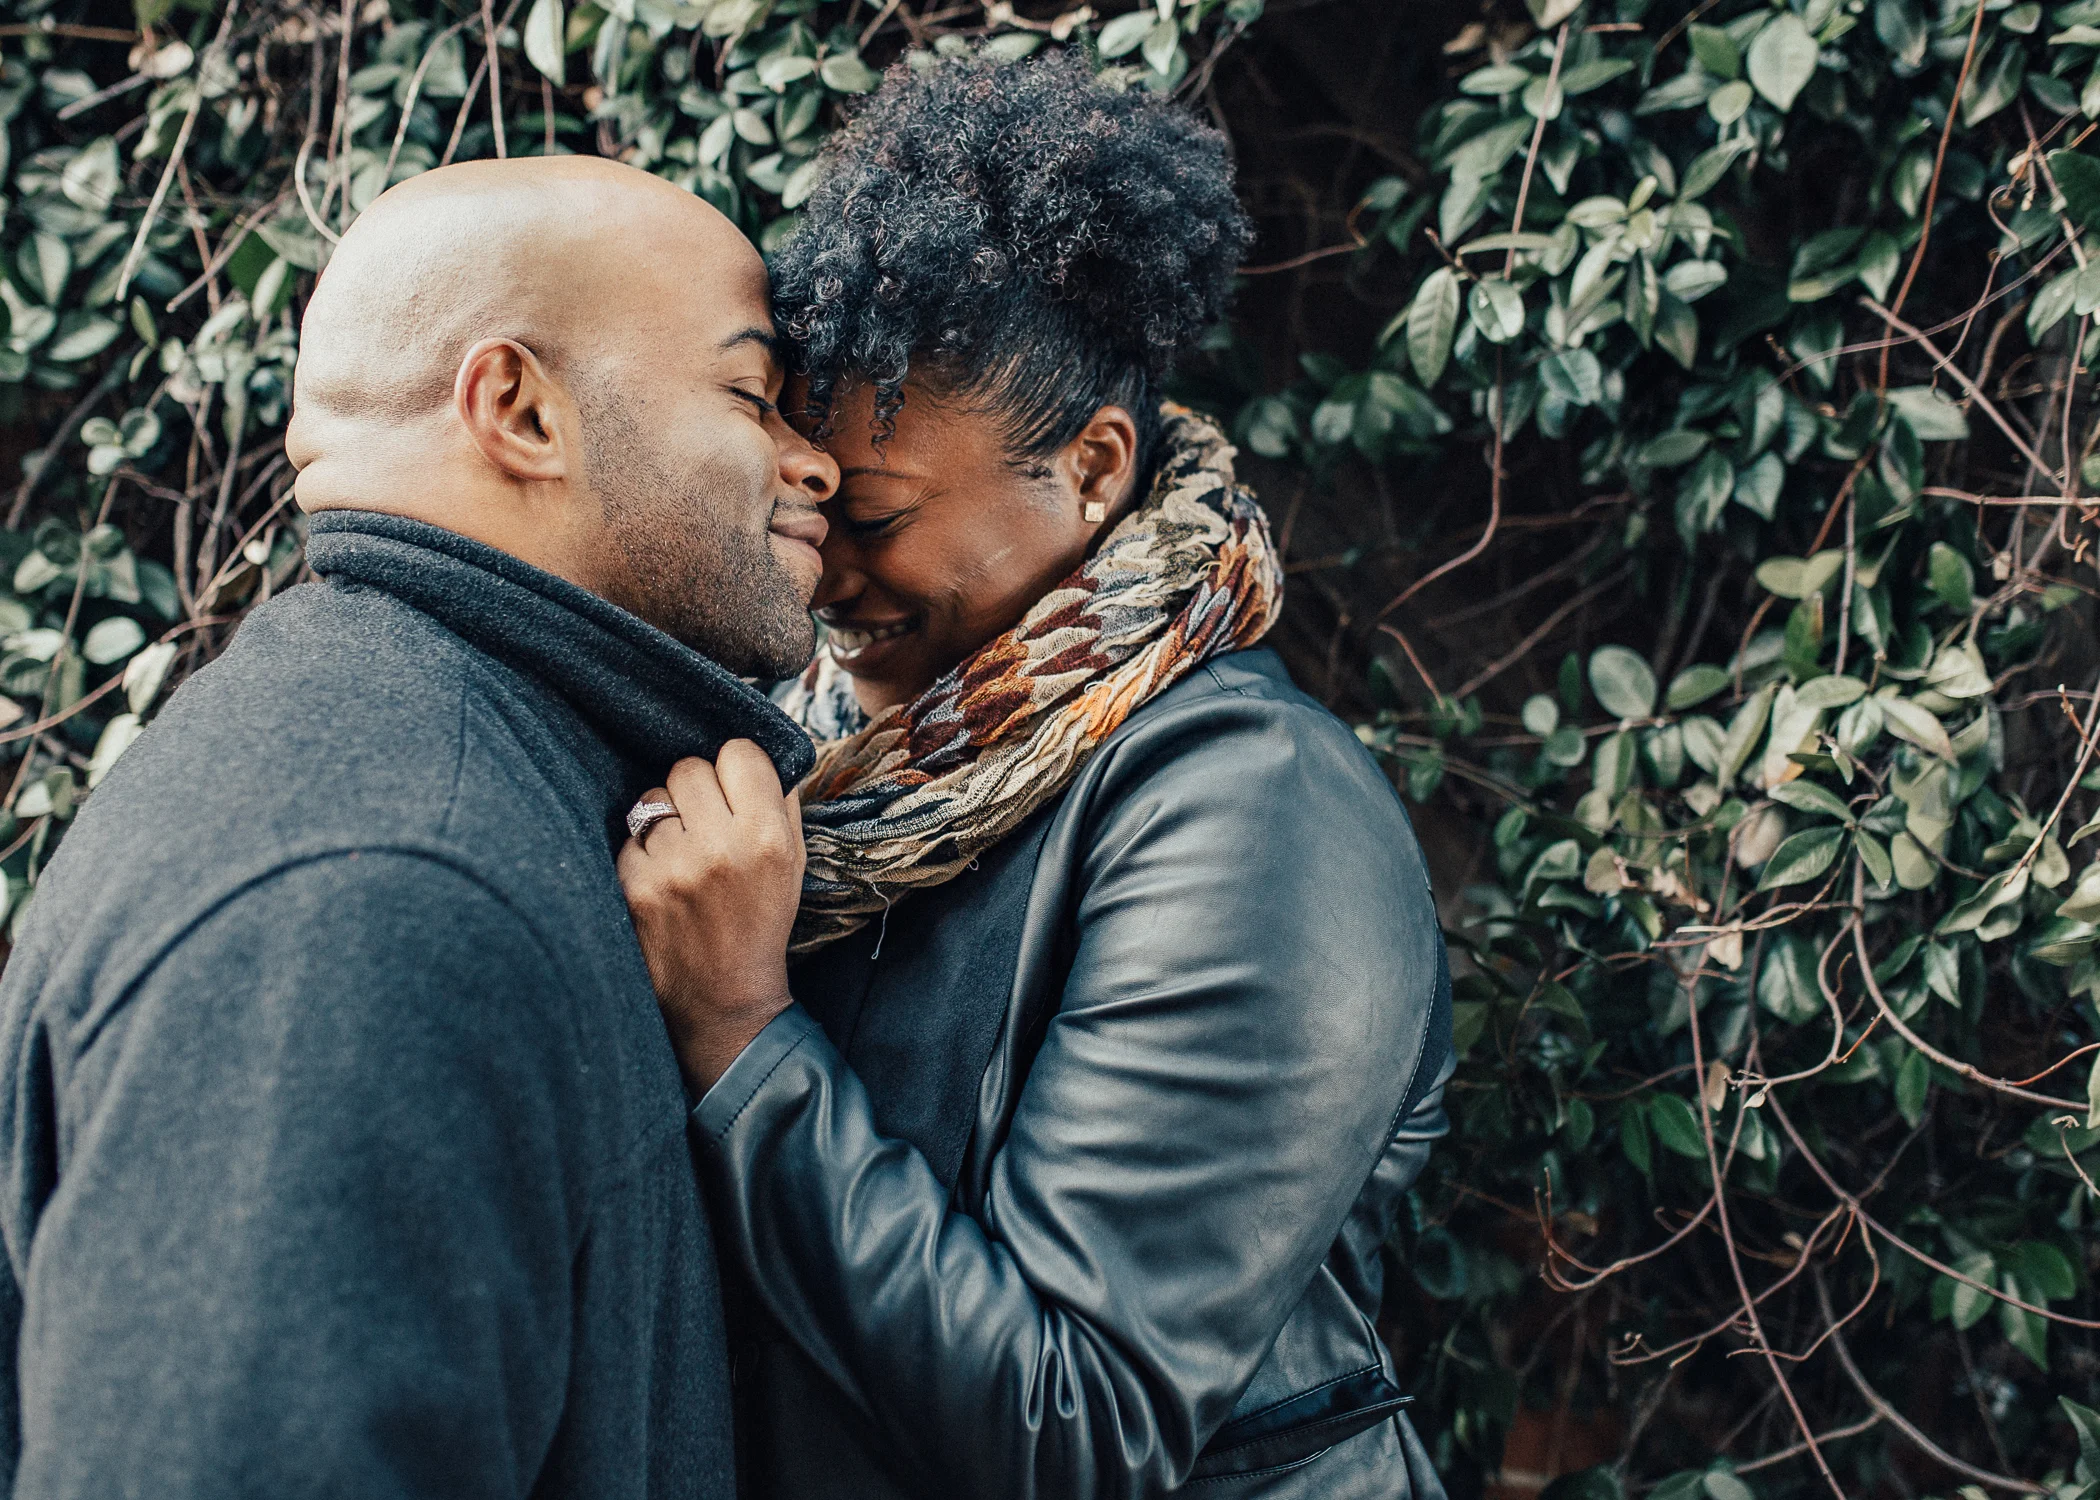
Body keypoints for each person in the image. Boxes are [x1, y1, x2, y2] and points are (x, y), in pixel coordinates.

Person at [617, 50, 1454, 1500]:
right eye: (814, 508)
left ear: (1093, 464)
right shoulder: (840, 770)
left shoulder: (1249, 816)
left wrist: (745, 1040)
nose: (826, 577)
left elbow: (1071, 1426)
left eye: (875, 517)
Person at [0, 156, 836, 1499]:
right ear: (518, 409)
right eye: (751, 395)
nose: (816, 462)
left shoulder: (461, 779)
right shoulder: (377, 894)